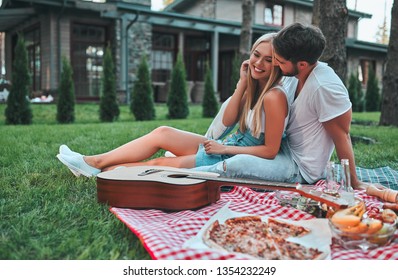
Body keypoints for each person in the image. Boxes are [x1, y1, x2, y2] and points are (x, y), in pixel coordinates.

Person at [57, 33, 292, 178]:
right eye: (256, 54)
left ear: (278, 65)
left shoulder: (274, 97)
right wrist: (242, 84)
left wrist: (225, 150)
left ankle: (98, 170)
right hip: (225, 145)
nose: (258, 63)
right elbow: (229, 120)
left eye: (268, 60)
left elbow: (270, 151)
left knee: (158, 164)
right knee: (163, 133)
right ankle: (93, 162)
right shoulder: (256, 88)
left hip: (230, 155)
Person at [194, 22, 377, 190]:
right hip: (281, 150)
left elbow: (342, 136)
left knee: (235, 165)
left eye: (279, 61)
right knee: (220, 154)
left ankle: (186, 179)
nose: (275, 64)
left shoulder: (325, 87)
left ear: (302, 64)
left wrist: (354, 182)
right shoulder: (292, 75)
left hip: (300, 168)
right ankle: (182, 169)